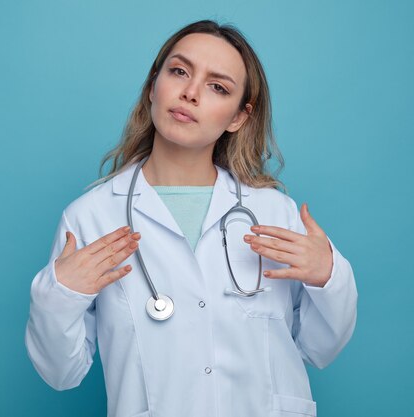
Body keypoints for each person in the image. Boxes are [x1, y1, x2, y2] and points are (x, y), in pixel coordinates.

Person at [25, 19, 357, 417]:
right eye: (179, 71)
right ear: (153, 86)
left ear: (238, 117)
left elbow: (318, 349)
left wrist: (329, 276)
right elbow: (62, 373)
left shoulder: (273, 212)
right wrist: (60, 294)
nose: (190, 93)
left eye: (218, 87)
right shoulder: (90, 217)